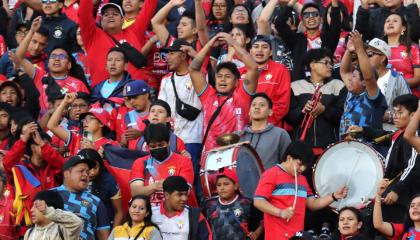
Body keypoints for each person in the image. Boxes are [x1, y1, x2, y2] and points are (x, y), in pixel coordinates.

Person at [346, 94, 420, 224]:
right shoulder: (400, 134)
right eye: (394, 112)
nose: (395, 116)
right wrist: (363, 131)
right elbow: (384, 136)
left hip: (403, 198)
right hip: (394, 194)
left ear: (414, 115)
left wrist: (397, 190)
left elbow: (414, 166)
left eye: (400, 112)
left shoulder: (415, 136)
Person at [254, 141, 348, 240]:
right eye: (299, 164)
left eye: (305, 166)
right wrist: (280, 213)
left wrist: (333, 196)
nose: (302, 168)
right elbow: (258, 201)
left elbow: (313, 204)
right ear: (289, 158)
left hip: (297, 236)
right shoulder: (271, 174)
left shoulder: (302, 180)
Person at [189, 32, 258, 152]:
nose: (222, 79)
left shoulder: (242, 96)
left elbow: (253, 67)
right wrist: (209, 45)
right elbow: (193, 69)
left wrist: (233, 42)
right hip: (209, 158)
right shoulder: (208, 96)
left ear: (237, 82)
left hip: (237, 157)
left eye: (227, 76)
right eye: (219, 76)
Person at [12, 17, 90, 112]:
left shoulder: (79, 84)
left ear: (69, 65)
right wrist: (32, 31)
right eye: (53, 56)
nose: (57, 59)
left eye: (61, 56)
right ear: (48, 63)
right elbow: (18, 58)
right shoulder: (40, 76)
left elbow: (85, 108)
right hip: (40, 123)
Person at [78, 0, 157, 86]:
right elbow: (83, 11)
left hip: (135, 94)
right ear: (100, 21)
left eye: (115, 14)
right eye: (106, 15)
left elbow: (150, 5)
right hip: (104, 96)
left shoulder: (134, 31)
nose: (110, 16)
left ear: (123, 20)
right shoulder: (92, 36)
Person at [287, 48, 346, 155]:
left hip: (329, 146)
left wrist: (325, 110)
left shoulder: (338, 85)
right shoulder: (295, 86)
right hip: (301, 147)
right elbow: (289, 117)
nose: (330, 66)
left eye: (331, 63)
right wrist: (303, 110)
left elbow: (343, 115)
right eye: (326, 63)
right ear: (313, 65)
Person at [158, 38, 203, 170]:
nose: (167, 57)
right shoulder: (166, 79)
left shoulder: (197, 76)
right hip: (172, 139)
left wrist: (194, 54)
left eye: (172, 53)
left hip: (192, 138)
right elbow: (162, 108)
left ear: (183, 55)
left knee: (190, 174)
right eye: (167, 54)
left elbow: (210, 69)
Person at [129, 123, 195, 205]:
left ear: (168, 142)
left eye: (161, 145)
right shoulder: (140, 163)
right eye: (153, 146)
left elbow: (184, 192)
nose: (157, 148)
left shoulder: (184, 161)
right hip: (150, 213)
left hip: (179, 212)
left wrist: (150, 189)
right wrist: (155, 186)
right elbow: (135, 192)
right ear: (147, 146)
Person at [274, 2, 342, 81]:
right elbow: (279, 23)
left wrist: (334, 2)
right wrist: (292, 3)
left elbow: (336, 23)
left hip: (324, 86)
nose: (311, 17)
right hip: (300, 87)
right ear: (302, 21)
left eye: (315, 14)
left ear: (321, 19)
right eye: (306, 15)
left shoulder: (328, 39)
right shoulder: (296, 40)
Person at [339, 31, 387, 138]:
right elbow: (344, 72)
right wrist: (349, 50)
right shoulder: (352, 93)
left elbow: (369, 77)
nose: (350, 79)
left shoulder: (373, 98)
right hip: (347, 149)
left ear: (364, 82)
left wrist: (360, 49)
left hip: (368, 150)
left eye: (354, 77)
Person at [52, 154, 110, 240]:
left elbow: (104, 236)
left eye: (87, 172)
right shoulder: (49, 195)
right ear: (67, 174)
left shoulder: (96, 202)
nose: (86, 175)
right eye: (81, 171)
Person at [3, 121, 65, 196]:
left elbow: (64, 166)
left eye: (49, 146)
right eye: (42, 144)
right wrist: (24, 139)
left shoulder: (53, 167)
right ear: (33, 147)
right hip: (27, 207)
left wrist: (41, 143)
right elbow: (7, 163)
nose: (46, 147)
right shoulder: (21, 168)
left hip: (52, 206)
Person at [47, 93, 118, 156]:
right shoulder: (77, 139)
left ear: (101, 123)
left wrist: (94, 153)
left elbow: (114, 170)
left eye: (91, 118)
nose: (85, 122)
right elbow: (51, 126)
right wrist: (65, 102)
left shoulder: (112, 145)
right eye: (84, 119)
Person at [365, 38, 411, 131]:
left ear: (382, 58)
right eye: (364, 54)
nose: (365, 58)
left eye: (370, 54)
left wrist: (389, 116)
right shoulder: (359, 77)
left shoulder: (397, 79)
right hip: (365, 136)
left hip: (388, 136)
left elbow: (410, 110)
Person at [204, 168, 263, 240]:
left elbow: (263, 221)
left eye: (226, 184)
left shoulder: (247, 203)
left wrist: (256, 233)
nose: (222, 188)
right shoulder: (209, 204)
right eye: (219, 185)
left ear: (236, 186)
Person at [247, 35, 291, 128]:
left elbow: (282, 104)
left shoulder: (280, 70)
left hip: (270, 127)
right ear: (250, 51)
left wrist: (262, 123)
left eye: (264, 47)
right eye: (256, 46)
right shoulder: (240, 72)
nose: (260, 50)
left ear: (271, 52)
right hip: (243, 127)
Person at [238, 92, 291, 169]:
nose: (257, 107)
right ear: (249, 111)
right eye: (254, 105)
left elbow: (287, 165)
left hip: (270, 180)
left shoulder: (280, 134)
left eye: (262, 105)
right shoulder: (238, 135)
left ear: (270, 112)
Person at [78, 148, 124, 228]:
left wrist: (112, 237)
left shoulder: (108, 180)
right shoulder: (72, 179)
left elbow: (119, 212)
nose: (92, 172)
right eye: (88, 168)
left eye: (95, 168)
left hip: (103, 225)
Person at [383, 13, 420, 97]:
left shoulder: (413, 48)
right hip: (383, 97)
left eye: (395, 21)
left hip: (409, 98)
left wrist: (397, 84)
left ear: (403, 28)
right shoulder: (378, 50)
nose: (390, 23)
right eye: (387, 21)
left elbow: (418, 78)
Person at [355, 0, 420, 42]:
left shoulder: (410, 12)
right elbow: (361, 36)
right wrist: (363, 9)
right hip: (378, 59)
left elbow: (415, 35)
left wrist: (411, 7)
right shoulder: (373, 14)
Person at [91, 47, 132, 113]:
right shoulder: (97, 88)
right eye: (110, 60)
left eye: (118, 60)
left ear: (125, 66)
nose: (113, 63)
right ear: (106, 66)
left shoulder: (130, 87)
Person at [121, 80, 151, 149]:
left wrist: (141, 134)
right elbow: (123, 144)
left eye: (135, 97)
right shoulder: (127, 116)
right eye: (129, 98)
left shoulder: (158, 112)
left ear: (146, 95)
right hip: (133, 157)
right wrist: (123, 143)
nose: (131, 101)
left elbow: (166, 134)